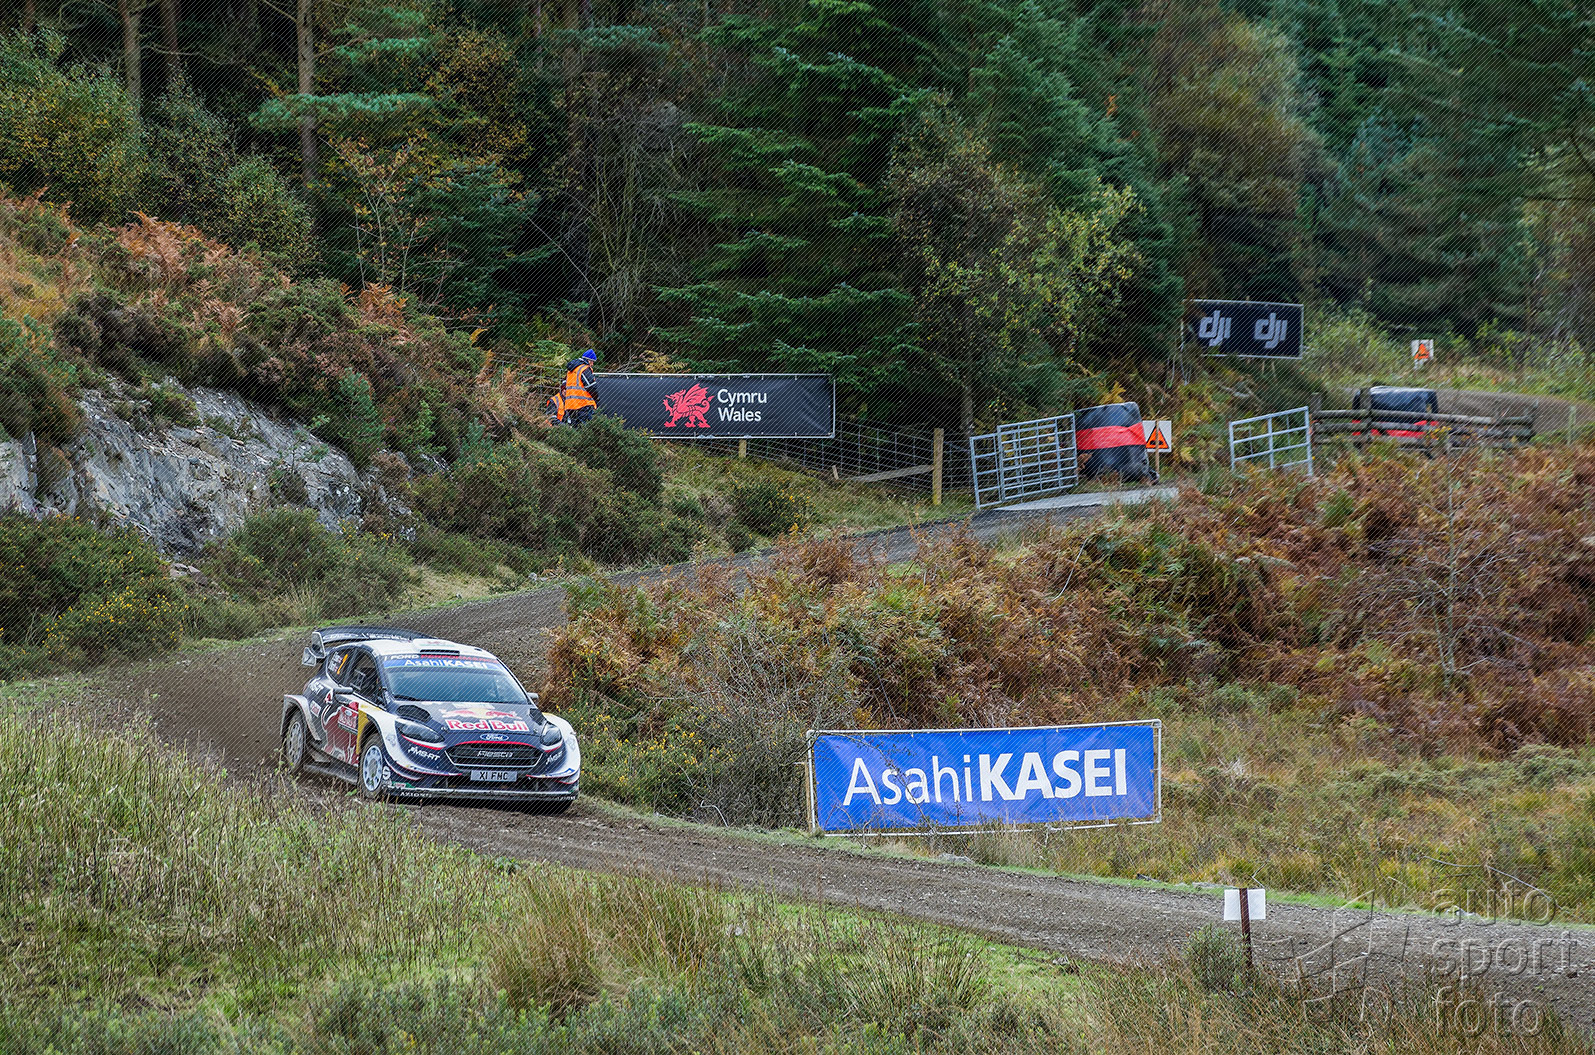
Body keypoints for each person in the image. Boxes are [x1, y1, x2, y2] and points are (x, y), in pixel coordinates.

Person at [559, 348, 598, 426]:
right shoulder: (584, 369)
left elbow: (564, 384)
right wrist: (597, 398)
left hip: (570, 405)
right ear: (589, 360)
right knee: (586, 428)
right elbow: (591, 386)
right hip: (584, 404)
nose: (592, 364)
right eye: (592, 362)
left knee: (574, 428)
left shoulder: (571, 370)